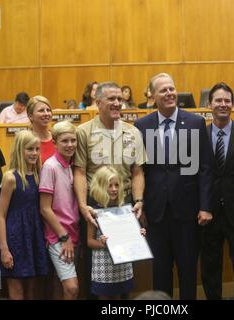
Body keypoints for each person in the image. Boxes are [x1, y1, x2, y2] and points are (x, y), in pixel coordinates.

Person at [134, 73, 213, 299]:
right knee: (160, 271)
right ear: (152, 96)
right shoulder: (142, 125)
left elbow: (205, 168)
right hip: (156, 211)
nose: (169, 93)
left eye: (171, 88)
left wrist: (205, 206)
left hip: (187, 211)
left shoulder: (195, 122)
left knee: (188, 270)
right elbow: (139, 170)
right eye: (163, 90)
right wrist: (140, 204)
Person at [73, 82, 146, 298]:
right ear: (98, 103)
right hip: (95, 209)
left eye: (119, 99)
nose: (117, 103)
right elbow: (79, 172)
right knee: (95, 272)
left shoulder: (133, 132)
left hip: (124, 207)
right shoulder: (83, 132)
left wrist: (139, 200)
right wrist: (82, 205)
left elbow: (137, 172)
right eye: (111, 99)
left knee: (123, 268)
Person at [201, 82, 234, 300]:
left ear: (232, 104)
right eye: (218, 100)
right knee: (210, 268)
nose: (223, 104)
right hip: (208, 213)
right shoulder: (199, 135)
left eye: (227, 101)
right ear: (209, 104)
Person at [0, 130, 49, 300]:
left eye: (37, 149)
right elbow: (1, 215)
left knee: (33, 291)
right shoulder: (10, 178)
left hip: (35, 237)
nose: (34, 153)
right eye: (29, 149)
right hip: (15, 239)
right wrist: (4, 249)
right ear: (20, 150)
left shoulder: (39, 174)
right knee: (17, 291)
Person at [87, 166, 146, 299]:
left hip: (123, 266)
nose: (114, 189)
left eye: (116, 185)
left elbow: (129, 237)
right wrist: (102, 243)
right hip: (103, 266)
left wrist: (139, 236)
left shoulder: (125, 210)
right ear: (101, 187)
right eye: (109, 185)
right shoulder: (94, 212)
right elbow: (89, 241)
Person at [39, 120, 81, 300]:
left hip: (75, 232)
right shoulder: (50, 166)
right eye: (65, 141)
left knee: (61, 284)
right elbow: (45, 209)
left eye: (73, 140)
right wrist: (64, 237)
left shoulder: (76, 165)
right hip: (59, 236)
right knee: (72, 288)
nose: (70, 145)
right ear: (54, 143)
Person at [27, 95, 55, 164]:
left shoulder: (57, 137)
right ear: (30, 116)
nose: (46, 114)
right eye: (41, 110)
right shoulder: (26, 141)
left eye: (48, 110)